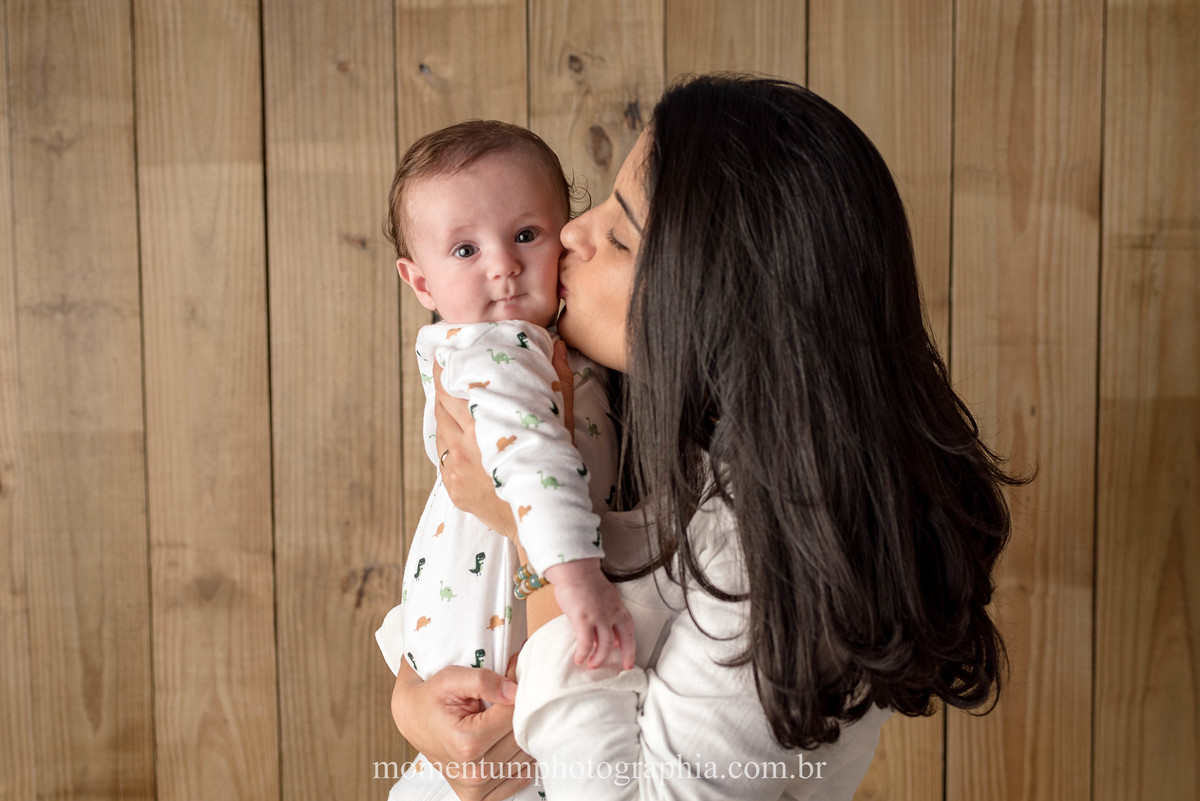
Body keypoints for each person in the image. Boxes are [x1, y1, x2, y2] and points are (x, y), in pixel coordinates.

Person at [390, 74, 1026, 800]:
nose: (571, 233)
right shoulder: (606, 400)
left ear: (715, 304)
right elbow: (455, 563)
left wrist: (539, 551)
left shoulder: (771, 549)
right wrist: (411, 698)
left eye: (621, 236)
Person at [376, 120, 636, 798]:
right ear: (420, 281)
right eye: (464, 248)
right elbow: (530, 460)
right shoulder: (501, 349)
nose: (502, 264)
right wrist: (575, 577)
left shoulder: (536, 342)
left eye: (526, 235)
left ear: (565, 235)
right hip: (501, 657)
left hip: (482, 661)